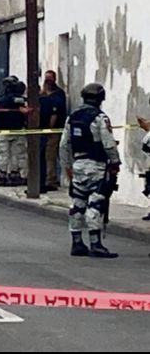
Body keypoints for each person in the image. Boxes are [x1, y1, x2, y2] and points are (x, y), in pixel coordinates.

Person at [60, 83, 120, 259]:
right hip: (97, 165)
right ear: (101, 99)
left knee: (78, 203)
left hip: (78, 164)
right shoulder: (100, 118)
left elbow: (64, 145)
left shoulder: (72, 117)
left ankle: (77, 242)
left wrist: (67, 166)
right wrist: (115, 163)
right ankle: (96, 244)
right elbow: (108, 144)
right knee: (96, 203)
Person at [0, 76, 28, 187]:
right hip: (18, 129)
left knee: (3, 154)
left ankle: (3, 176)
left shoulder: (3, 99)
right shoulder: (21, 99)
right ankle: (15, 175)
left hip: (3, 130)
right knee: (17, 154)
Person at [40, 71, 68, 192]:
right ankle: (47, 178)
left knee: (50, 155)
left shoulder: (58, 94)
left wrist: (50, 129)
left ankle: (51, 180)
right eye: (46, 78)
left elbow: (55, 113)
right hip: (43, 130)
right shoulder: (44, 93)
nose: (47, 81)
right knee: (46, 155)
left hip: (53, 130)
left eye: (49, 79)